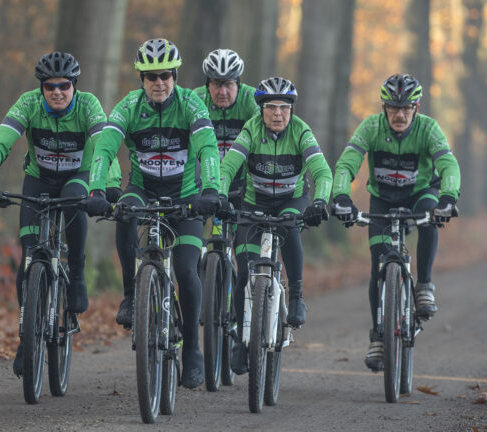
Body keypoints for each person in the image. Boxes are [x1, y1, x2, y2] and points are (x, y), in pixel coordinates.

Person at [84, 38, 220, 389]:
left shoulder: (191, 105)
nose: (158, 83)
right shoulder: (128, 106)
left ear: (174, 76)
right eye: (150, 77)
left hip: (186, 196)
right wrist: (96, 189)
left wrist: (212, 191)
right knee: (125, 212)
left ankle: (192, 350)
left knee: (188, 272)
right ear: (140, 79)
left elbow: (208, 149)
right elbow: (104, 149)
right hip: (143, 189)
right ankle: (132, 294)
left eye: (164, 75)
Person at [0, 51, 114, 377]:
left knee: (75, 200)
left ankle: (76, 275)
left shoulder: (88, 106)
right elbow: (2, 142)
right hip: (39, 179)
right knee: (29, 257)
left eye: (63, 86)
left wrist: (108, 186)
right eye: (49, 86)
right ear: (41, 88)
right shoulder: (28, 103)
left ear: (74, 86)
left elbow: (104, 146)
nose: (57, 92)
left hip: (77, 178)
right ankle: (25, 336)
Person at [331, 73, 461, 371]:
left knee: (430, 217)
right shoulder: (371, 127)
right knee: (378, 262)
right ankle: (378, 334)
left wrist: (449, 198)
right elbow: (348, 161)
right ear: (383, 108)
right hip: (383, 199)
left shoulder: (429, 128)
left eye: (406, 108)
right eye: (393, 109)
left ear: (417, 108)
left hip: (419, 195)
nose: (399, 115)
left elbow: (448, 163)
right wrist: (340, 196)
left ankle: (425, 284)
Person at [218, 77, 332, 374]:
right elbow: (228, 166)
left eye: (284, 107)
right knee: (244, 268)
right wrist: (218, 193)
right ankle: (240, 340)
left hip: (291, 202)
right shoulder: (251, 129)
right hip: (254, 204)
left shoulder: (301, 131)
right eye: (271, 107)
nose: (277, 113)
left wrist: (320, 201)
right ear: (261, 109)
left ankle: (296, 297)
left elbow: (322, 171)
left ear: (292, 109)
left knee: (291, 228)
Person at [193, 48, 259, 210]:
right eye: (216, 84)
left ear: (238, 84)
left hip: (241, 175)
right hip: (204, 175)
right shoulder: (197, 98)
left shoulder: (251, 98)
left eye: (229, 84)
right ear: (208, 85)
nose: (222, 92)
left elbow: (262, 127)